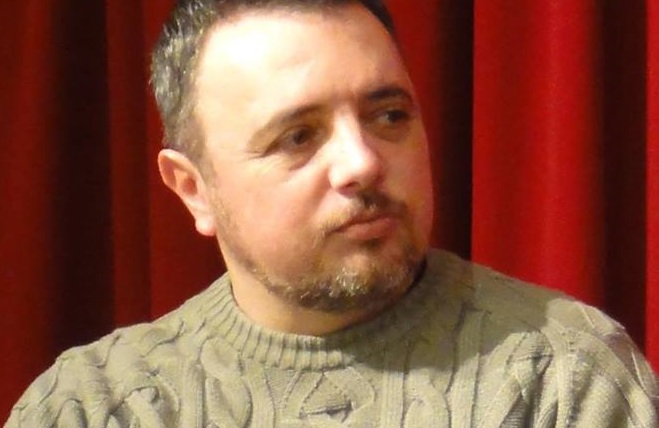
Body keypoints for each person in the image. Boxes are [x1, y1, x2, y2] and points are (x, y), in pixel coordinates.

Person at [6, 0, 658, 426]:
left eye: (389, 116)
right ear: (193, 189)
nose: (362, 162)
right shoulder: (94, 407)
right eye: (298, 136)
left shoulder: (563, 376)